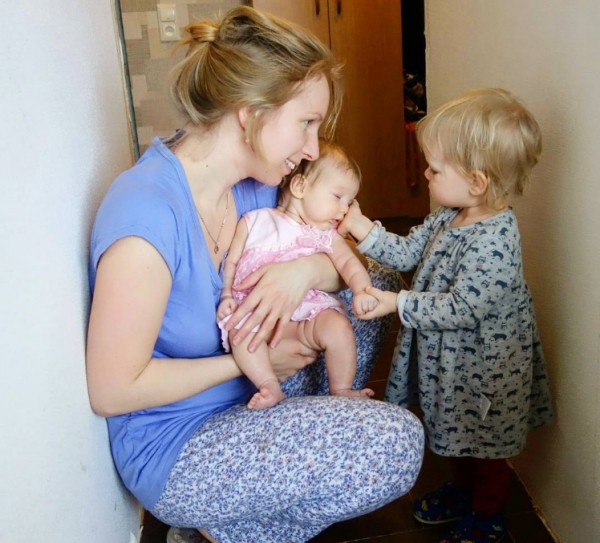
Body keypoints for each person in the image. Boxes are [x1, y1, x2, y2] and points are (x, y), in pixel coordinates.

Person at [85, 6, 424, 543]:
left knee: (374, 285)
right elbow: (112, 391)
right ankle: (216, 524)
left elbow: (348, 264)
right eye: (306, 123)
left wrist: (301, 272)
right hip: (182, 439)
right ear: (249, 113)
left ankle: (246, 505)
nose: (313, 149)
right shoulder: (146, 219)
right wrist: (248, 363)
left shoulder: (254, 184)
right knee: (395, 445)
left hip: (257, 388)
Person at [339, 88, 554, 543]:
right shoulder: (447, 215)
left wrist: (397, 303)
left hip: (484, 367)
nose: (425, 173)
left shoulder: (494, 240)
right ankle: (463, 490)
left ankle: (488, 513)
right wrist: (359, 226)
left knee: (484, 439)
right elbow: (406, 252)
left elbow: (462, 307)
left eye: (434, 169)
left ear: (476, 181)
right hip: (452, 359)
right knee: (454, 427)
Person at [217, 140, 377, 409]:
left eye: (349, 202)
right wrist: (226, 296)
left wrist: (362, 290)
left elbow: (349, 263)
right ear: (300, 187)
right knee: (240, 334)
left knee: (338, 327)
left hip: (307, 318)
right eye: (338, 197)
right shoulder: (255, 221)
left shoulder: (324, 234)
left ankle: (341, 388)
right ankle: (269, 385)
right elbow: (231, 263)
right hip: (259, 316)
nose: (344, 210)